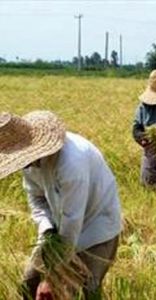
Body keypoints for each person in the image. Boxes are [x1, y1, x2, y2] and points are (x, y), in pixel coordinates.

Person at [0, 111, 122, 299]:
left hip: (95, 230)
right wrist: (47, 229)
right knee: (29, 283)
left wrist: (52, 278)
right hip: (58, 230)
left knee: (84, 290)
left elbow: (72, 221)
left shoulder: (72, 162)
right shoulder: (29, 164)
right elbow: (36, 198)